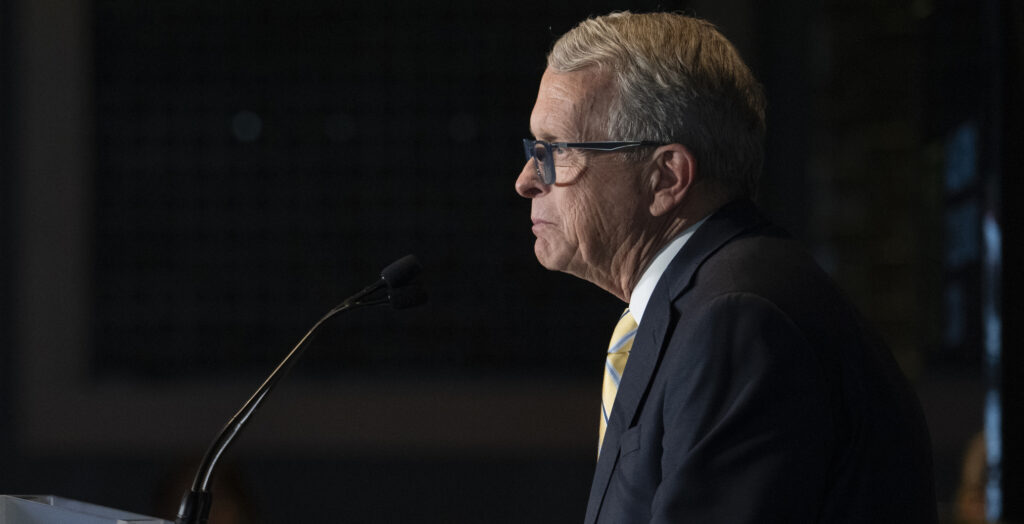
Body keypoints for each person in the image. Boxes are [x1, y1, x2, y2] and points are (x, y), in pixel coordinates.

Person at [514, 12, 936, 523]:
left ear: (666, 177)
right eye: (534, 149)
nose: (526, 180)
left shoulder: (737, 321)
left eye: (555, 150)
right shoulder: (702, 305)